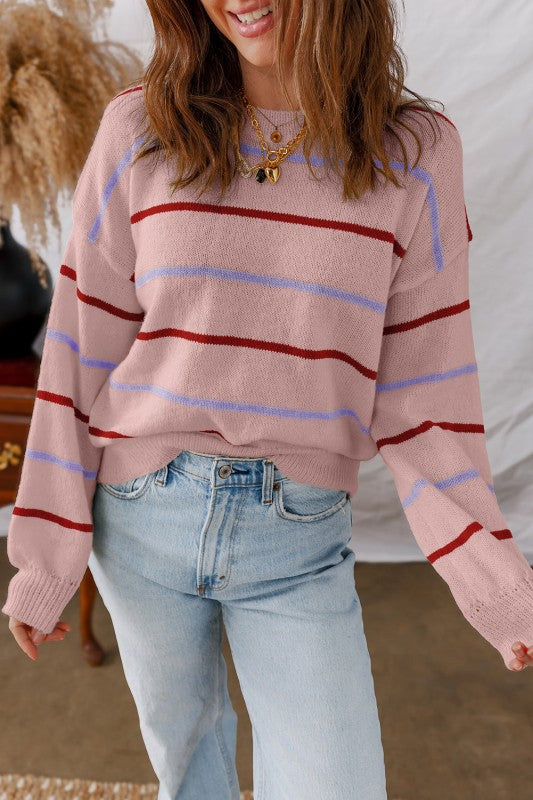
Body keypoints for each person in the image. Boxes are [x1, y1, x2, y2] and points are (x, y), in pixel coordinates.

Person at [3, 0, 533, 797]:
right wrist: (45, 558)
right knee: (190, 771)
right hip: (139, 519)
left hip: (296, 538)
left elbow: (425, 398)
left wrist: (495, 585)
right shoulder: (139, 127)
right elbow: (78, 355)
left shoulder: (415, 152)